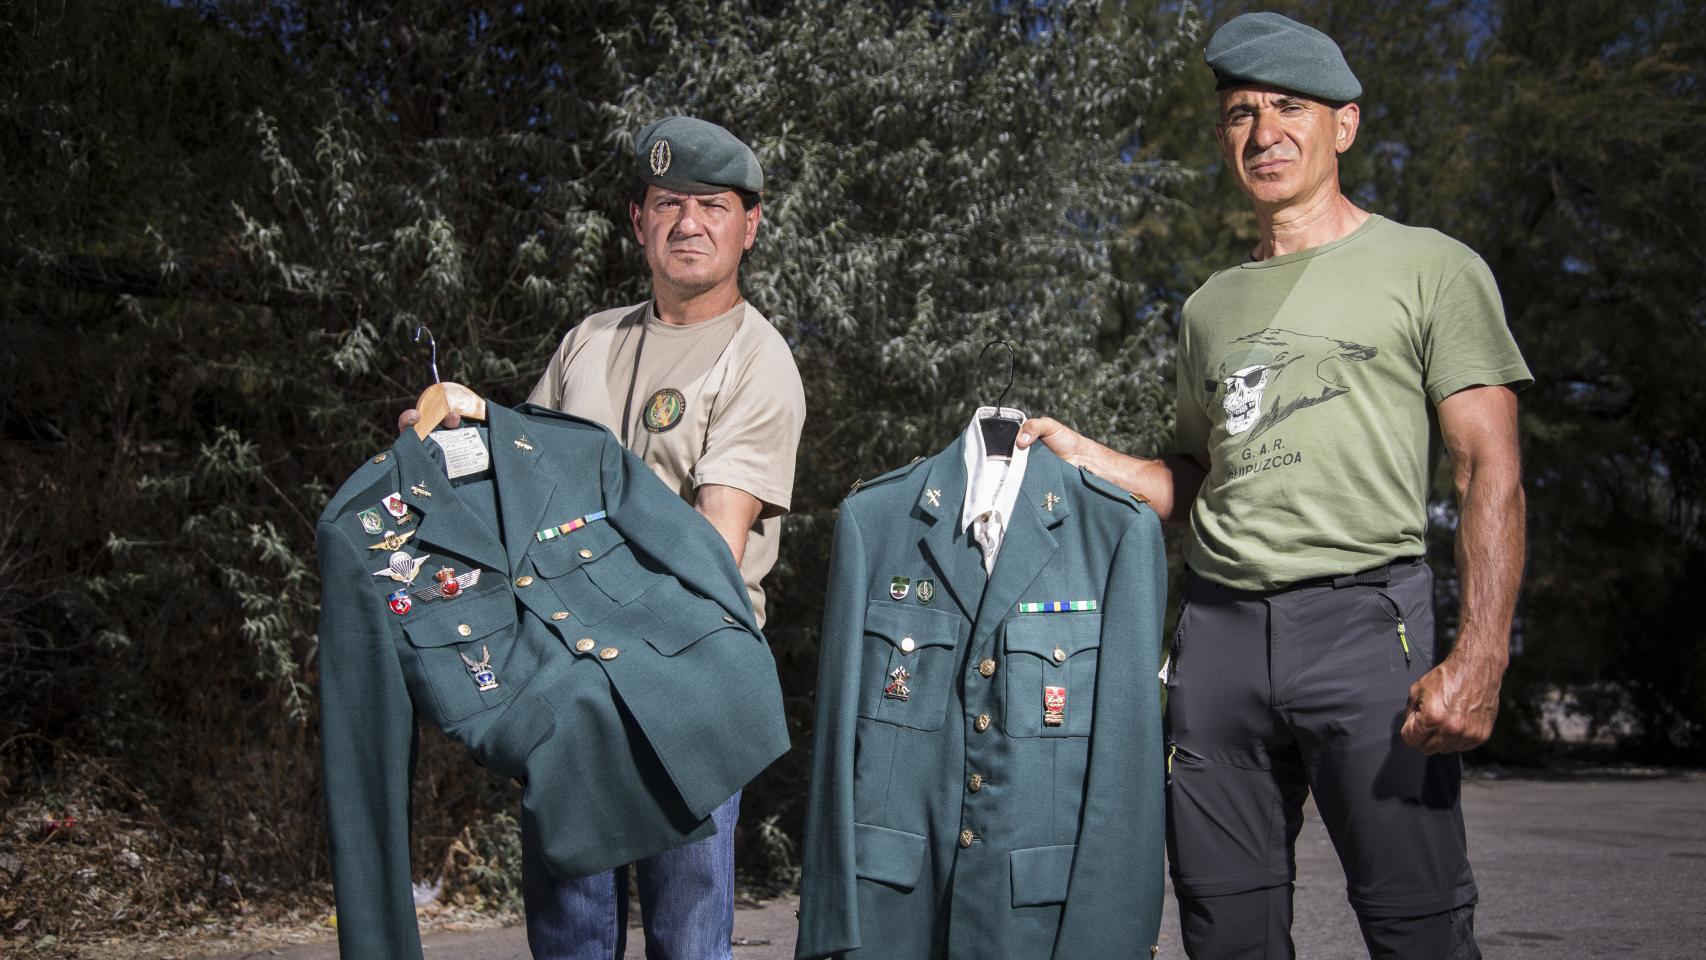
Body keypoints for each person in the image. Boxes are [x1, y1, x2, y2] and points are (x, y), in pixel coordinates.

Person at [1018, 12, 1529, 959]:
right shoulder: (1210, 306)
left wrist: (1485, 652)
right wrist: (1088, 457)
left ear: (1345, 124)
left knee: (1416, 921)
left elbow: (1487, 466)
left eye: (1289, 107)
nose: (1264, 133)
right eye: (1241, 113)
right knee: (1225, 927)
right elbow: (1198, 475)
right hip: (1215, 641)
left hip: (1367, 624)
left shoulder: (1432, 267)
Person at [400, 115, 806, 960]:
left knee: (687, 939)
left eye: (713, 205)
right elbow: (518, 489)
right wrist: (448, 446)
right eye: (667, 204)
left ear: (751, 224)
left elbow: (710, 555)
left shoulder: (757, 360)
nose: (688, 223)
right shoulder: (587, 341)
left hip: (689, 684)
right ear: (638, 221)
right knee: (571, 937)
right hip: (571, 689)